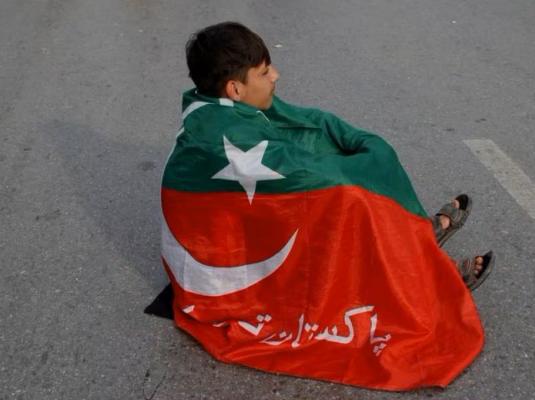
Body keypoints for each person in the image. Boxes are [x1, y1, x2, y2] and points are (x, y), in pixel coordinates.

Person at [155, 21, 495, 391]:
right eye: (265, 72)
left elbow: (303, 126)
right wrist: (362, 168)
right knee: (349, 196)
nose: (276, 76)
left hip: (246, 221)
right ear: (235, 88)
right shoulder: (217, 135)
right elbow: (305, 174)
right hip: (229, 254)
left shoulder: (219, 104)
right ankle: (425, 276)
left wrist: (349, 142)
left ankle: (412, 243)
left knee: (340, 167)